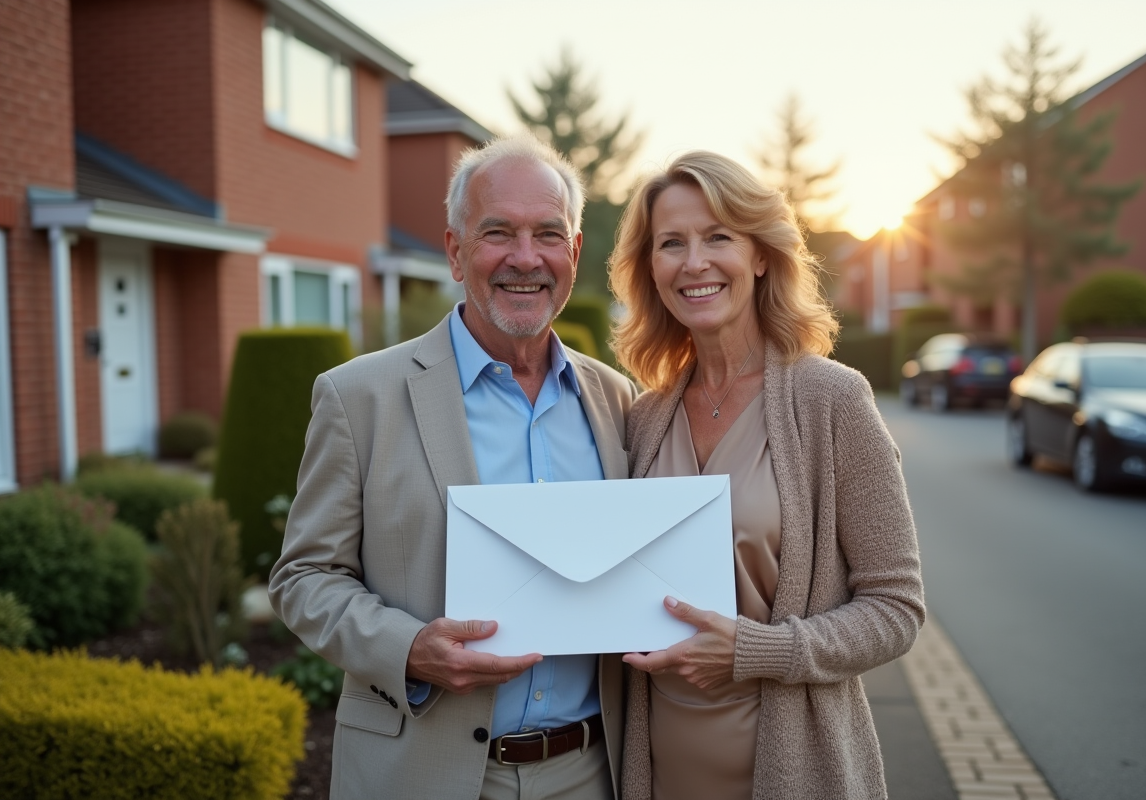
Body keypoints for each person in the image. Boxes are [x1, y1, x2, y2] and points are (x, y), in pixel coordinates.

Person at [269, 136, 636, 800]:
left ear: (574, 253)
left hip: (591, 772)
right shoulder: (360, 398)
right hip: (421, 772)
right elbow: (303, 579)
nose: (525, 258)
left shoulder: (617, 399)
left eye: (548, 235)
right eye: (498, 232)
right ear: (455, 250)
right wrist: (408, 649)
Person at [608, 151, 925, 800]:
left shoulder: (833, 400)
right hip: (659, 768)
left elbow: (896, 609)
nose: (694, 262)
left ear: (759, 255)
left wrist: (758, 651)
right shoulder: (643, 418)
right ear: (651, 270)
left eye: (717, 236)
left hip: (792, 765)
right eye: (672, 243)